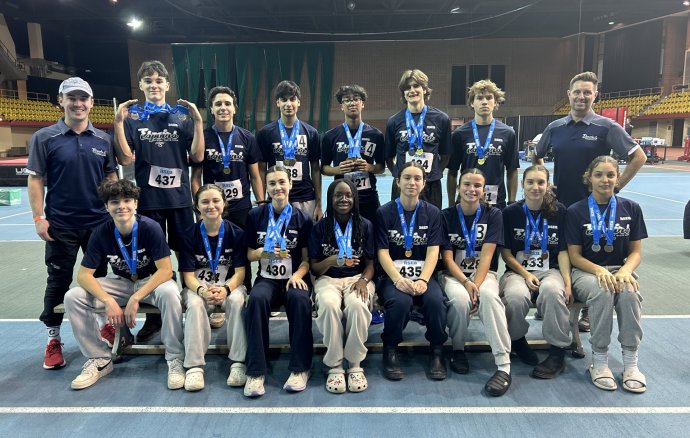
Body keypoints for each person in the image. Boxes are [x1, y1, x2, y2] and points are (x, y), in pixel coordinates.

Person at [532, 71, 646, 332]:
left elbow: (638, 157)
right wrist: (546, 184)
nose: (581, 96)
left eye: (587, 92)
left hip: (592, 209)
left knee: (587, 256)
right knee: (556, 255)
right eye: (577, 91)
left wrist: (615, 187)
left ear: (595, 96)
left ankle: (583, 311)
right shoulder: (555, 127)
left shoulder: (607, 127)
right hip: (559, 207)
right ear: (569, 94)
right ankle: (552, 303)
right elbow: (537, 156)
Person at [27, 77, 118, 369]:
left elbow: (111, 179)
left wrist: (115, 213)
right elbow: (36, 179)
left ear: (91, 103)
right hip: (60, 225)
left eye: (83, 99)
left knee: (100, 279)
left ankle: (105, 325)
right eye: (72, 98)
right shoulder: (44, 137)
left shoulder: (104, 139)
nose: (78, 104)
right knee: (58, 282)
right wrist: (39, 217)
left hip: (98, 224)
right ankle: (53, 339)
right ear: (61, 101)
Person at [113, 60, 204, 343]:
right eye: (148, 81)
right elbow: (126, 157)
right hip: (149, 202)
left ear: (167, 85)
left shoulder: (183, 116)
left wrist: (200, 122)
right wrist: (117, 123)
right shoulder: (133, 117)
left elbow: (198, 157)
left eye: (158, 80)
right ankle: (156, 318)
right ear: (141, 85)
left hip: (179, 201)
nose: (154, 85)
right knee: (153, 262)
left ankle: (194, 308)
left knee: (186, 255)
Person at [63, 180, 185, 390]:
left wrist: (136, 298)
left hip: (151, 282)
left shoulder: (150, 227)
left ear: (136, 203)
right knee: (73, 296)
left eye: (127, 200)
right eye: (114, 202)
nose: (122, 206)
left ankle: (175, 358)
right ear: (106, 207)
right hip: (121, 283)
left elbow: (165, 270)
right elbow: (84, 276)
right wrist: (108, 300)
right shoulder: (101, 232)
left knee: (171, 293)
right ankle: (99, 358)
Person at [565, 156, 647, 393]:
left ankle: (631, 363)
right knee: (603, 290)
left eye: (610, 175)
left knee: (630, 292)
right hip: (586, 272)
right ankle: (599, 361)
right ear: (588, 178)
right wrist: (600, 270)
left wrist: (625, 271)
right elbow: (574, 256)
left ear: (617, 177)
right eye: (599, 174)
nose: (605, 180)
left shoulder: (631, 208)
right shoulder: (576, 211)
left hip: (619, 270)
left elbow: (636, 253)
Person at [192, 86, 263, 328]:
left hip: (241, 206)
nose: (223, 108)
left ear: (235, 108)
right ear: (211, 109)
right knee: (213, 252)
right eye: (218, 104)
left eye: (227, 103)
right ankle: (215, 304)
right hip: (211, 207)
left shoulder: (246, 137)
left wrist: (261, 203)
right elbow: (196, 176)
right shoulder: (203, 136)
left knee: (241, 253)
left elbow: (255, 175)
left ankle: (246, 296)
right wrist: (197, 203)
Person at [437, 168, 510, 396]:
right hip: (453, 274)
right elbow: (447, 259)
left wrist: (475, 285)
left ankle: (503, 365)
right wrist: (466, 284)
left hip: (483, 274)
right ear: (458, 188)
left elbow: (487, 256)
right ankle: (458, 349)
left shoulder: (494, 214)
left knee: (489, 296)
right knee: (459, 300)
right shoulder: (446, 216)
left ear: (483, 190)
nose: (472, 189)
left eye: (477, 186)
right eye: (467, 184)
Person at [243, 165, 314, 397]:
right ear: (267, 187)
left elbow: (306, 260)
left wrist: (297, 275)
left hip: (294, 277)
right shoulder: (256, 216)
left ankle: (300, 368)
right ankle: (255, 371)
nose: (277, 187)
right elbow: (248, 254)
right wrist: (263, 252)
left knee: (300, 301)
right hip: (267, 278)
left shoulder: (301, 218)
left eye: (282, 182)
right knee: (256, 300)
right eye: (272, 183)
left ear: (290, 184)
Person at [375, 162, 447, 381]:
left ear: (424, 184)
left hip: (422, 274)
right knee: (401, 302)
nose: (412, 182)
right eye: (407, 178)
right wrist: (397, 279)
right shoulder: (384, 212)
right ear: (397, 182)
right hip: (392, 276)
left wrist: (424, 280)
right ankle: (390, 348)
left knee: (436, 301)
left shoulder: (433, 213)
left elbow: (434, 251)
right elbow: (382, 252)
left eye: (417, 178)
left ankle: (436, 350)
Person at [499, 165, 572, 379]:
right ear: (522, 184)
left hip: (550, 271)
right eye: (530, 182)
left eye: (541, 182)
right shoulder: (510, 213)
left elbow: (564, 252)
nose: (535, 187)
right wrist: (525, 273)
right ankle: (518, 341)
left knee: (552, 292)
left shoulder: (559, 211)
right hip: (517, 270)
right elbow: (506, 253)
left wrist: (567, 282)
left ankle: (558, 351)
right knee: (515, 297)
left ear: (548, 186)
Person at [179, 184, 248, 391]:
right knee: (195, 304)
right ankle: (194, 366)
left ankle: (238, 362)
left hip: (229, 286)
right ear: (197, 206)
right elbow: (188, 276)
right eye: (205, 202)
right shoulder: (188, 234)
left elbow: (240, 273)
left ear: (224, 204)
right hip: (199, 288)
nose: (211, 206)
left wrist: (226, 289)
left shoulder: (236, 233)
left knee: (237, 301)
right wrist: (202, 291)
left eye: (216, 200)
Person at [309, 179, 375, 393]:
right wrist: (331, 260)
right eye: (338, 195)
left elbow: (371, 264)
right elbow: (315, 269)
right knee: (328, 304)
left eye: (348, 195)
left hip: (357, 278)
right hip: (328, 279)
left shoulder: (365, 225)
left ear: (354, 197)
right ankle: (335, 365)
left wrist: (363, 280)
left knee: (357, 305)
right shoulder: (320, 227)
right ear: (331, 198)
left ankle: (355, 364)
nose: (343, 199)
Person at [446, 79, 519, 209]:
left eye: (489, 98)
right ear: (472, 103)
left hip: (497, 202)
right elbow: (452, 172)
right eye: (479, 98)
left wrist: (512, 202)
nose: (484, 102)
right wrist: (452, 204)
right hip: (466, 199)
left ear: (495, 102)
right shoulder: (459, 134)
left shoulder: (508, 133)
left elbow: (512, 170)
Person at [385, 69, 451, 210]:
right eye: (407, 88)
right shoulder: (394, 121)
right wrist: (400, 175)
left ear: (425, 89)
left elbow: (445, 155)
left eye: (416, 86)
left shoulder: (441, 119)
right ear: (403, 93)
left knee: (431, 225)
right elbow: (389, 158)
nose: (412, 90)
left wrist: (433, 173)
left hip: (431, 185)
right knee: (400, 225)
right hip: (403, 185)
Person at [257, 80, 322, 221]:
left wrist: (318, 203)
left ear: (298, 102)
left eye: (292, 99)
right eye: (283, 100)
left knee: (306, 240)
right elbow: (261, 169)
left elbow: (316, 169)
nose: (288, 104)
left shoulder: (311, 133)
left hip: (305, 198)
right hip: (277, 196)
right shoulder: (265, 133)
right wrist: (262, 201)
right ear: (277, 103)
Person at [321, 85, 385, 224]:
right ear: (341, 106)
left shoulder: (376, 135)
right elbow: (324, 168)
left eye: (356, 99)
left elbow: (381, 167)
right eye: (347, 100)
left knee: (372, 235)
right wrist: (338, 170)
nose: (352, 103)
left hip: (368, 197)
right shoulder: (330, 136)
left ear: (362, 104)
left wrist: (369, 167)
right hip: (341, 197)